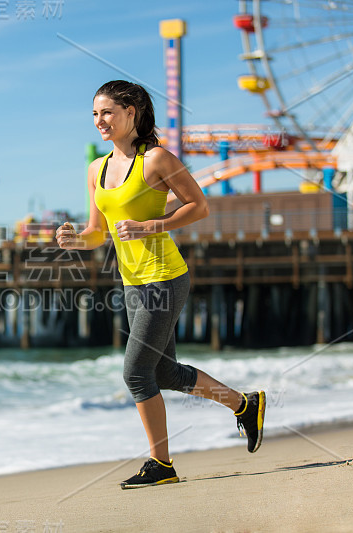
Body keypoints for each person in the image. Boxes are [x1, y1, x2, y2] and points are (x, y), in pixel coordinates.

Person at [55, 80, 265, 489]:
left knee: (136, 372)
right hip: (132, 281)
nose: (100, 121)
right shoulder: (95, 169)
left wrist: (153, 225)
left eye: (107, 112)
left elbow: (198, 205)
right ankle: (244, 405)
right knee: (163, 371)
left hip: (165, 277)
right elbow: (100, 232)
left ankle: (161, 465)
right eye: (95, 114)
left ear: (131, 111)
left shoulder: (156, 160)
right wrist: (76, 240)